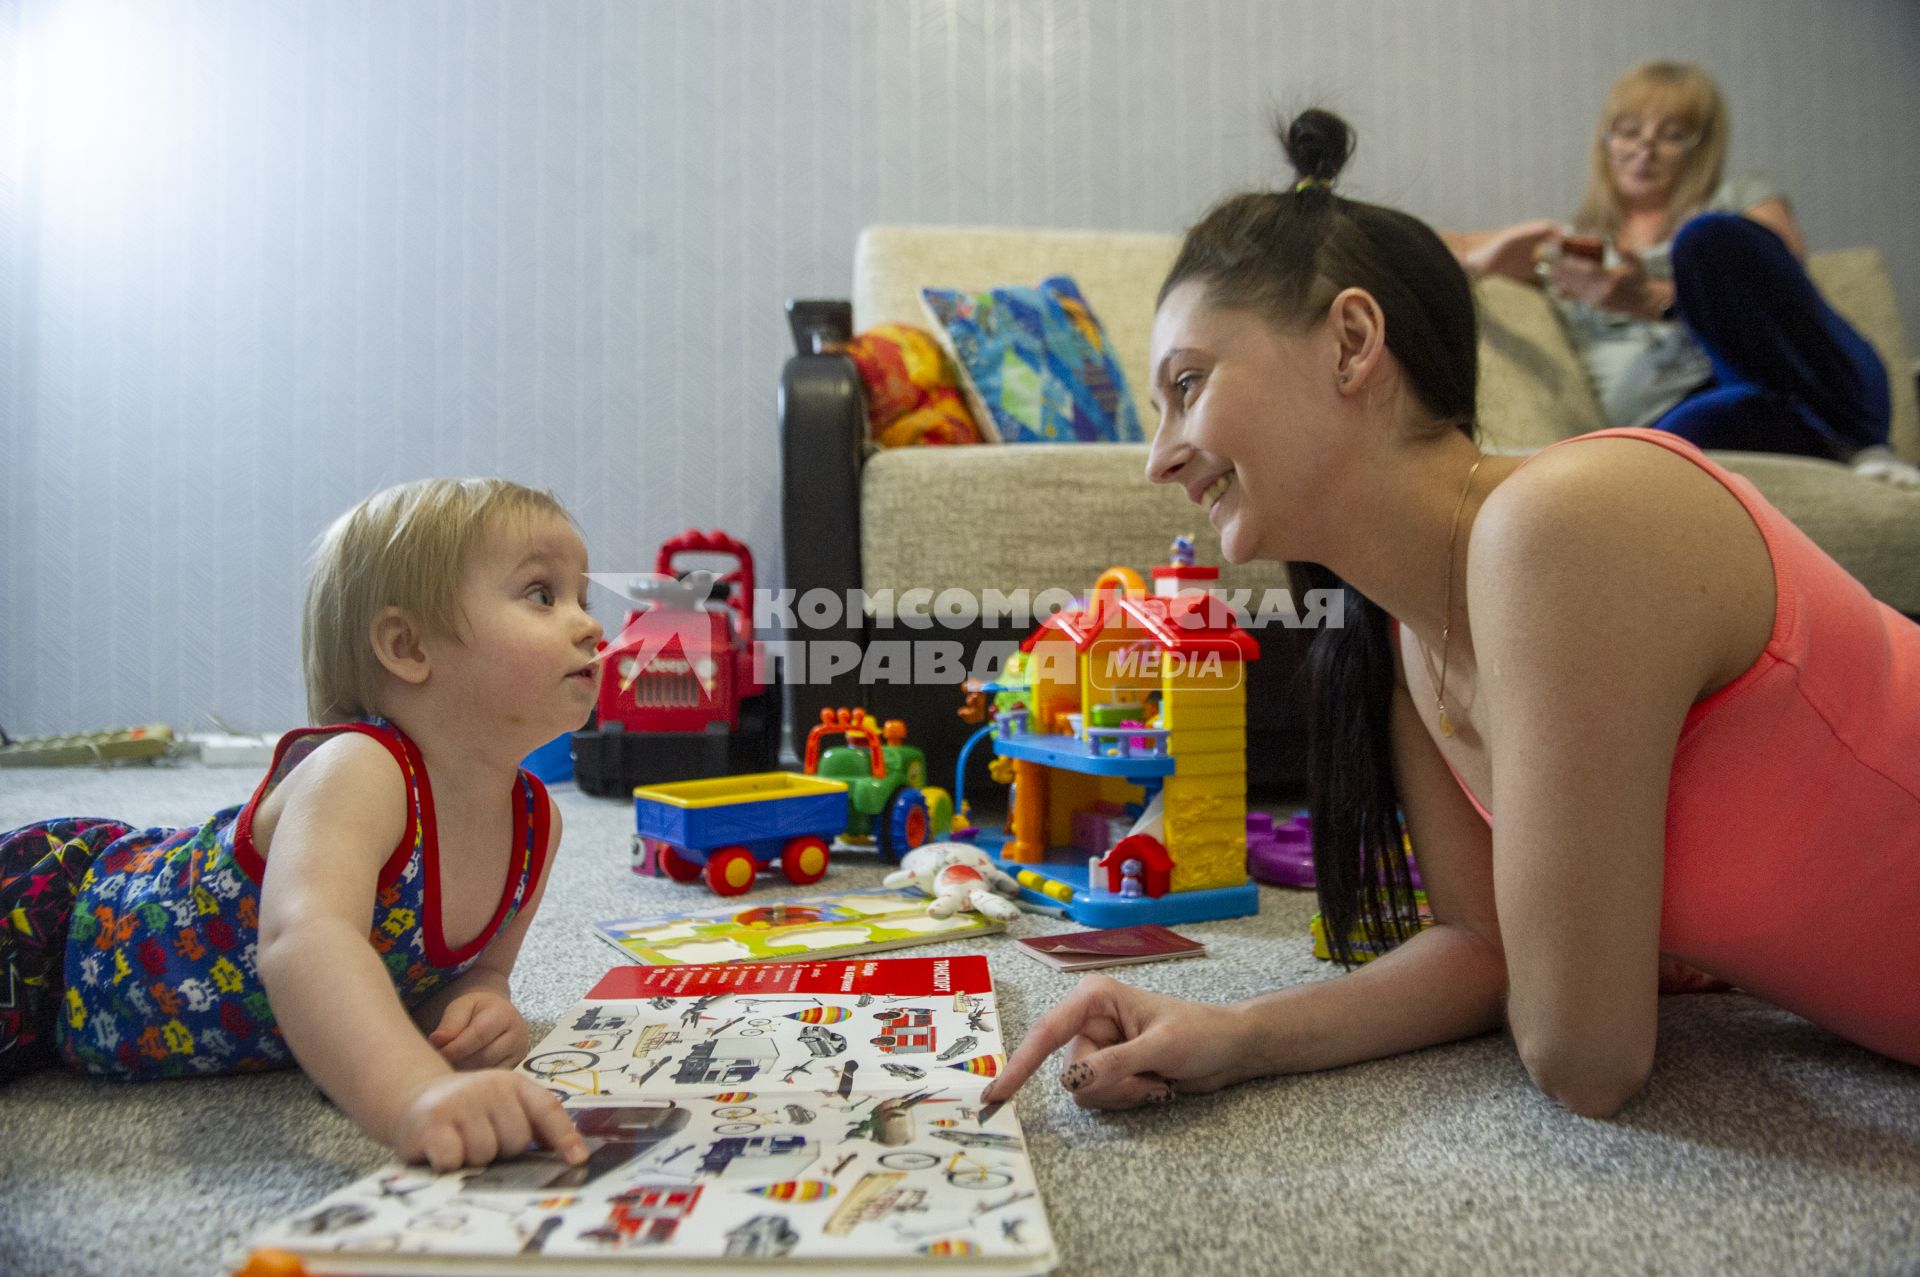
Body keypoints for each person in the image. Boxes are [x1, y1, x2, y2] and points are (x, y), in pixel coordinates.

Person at [979, 110, 1920, 1121]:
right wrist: (1234, 1033)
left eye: (1189, 385)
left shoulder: (1561, 524)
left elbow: (1583, 1054)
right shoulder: (1402, 632)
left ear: (1351, 341)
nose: (1158, 454)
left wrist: (1602, 958)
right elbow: (1483, 950)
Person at [0, 478, 603, 1171]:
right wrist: (413, 1093)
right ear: (407, 646)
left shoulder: (536, 824)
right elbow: (303, 935)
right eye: (541, 594)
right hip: (51, 929)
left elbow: (479, 967)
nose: (590, 624)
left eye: (583, 596)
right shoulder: (360, 768)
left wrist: (480, 1004)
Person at [1444, 61, 1906, 475]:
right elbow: (1419, 245)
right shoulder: (1570, 246)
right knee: (1708, 423)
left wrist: (1650, 298)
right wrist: (1484, 259)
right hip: (1689, 417)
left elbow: (1785, 299)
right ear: (1605, 143)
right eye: (1627, 130)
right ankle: (1850, 444)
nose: (1645, 148)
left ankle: (1860, 442)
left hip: (1796, 382)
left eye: (1671, 135)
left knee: (1705, 239)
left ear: (1700, 148)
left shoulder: (1739, 203)